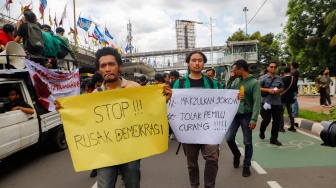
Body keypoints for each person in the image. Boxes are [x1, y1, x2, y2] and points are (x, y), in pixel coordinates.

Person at [54, 47, 172, 188]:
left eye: (112, 64)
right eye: (103, 66)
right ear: (99, 70)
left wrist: (162, 100)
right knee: (104, 186)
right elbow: (85, 122)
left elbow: (148, 111)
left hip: (131, 150)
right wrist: (65, 110)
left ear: (119, 67)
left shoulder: (134, 88)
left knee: (132, 184)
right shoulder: (94, 96)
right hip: (106, 153)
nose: (108, 69)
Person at [173, 51, 220, 188]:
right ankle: (194, 185)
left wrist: (235, 98)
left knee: (212, 159)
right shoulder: (179, 83)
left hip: (209, 128)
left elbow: (223, 99)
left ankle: (209, 186)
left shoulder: (212, 83)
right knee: (192, 163)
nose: (197, 63)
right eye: (194, 60)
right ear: (188, 63)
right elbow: (171, 104)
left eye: (200, 60)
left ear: (203, 63)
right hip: (189, 130)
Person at [225, 59, 261, 177]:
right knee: (229, 138)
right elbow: (228, 92)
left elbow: (257, 102)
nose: (233, 72)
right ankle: (236, 154)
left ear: (241, 69)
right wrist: (230, 79)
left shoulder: (254, 83)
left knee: (247, 142)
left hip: (247, 115)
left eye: (235, 70)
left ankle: (246, 166)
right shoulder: (236, 81)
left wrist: (254, 119)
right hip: (235, 114)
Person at [258, 61, 284, 146]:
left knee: (277, 121)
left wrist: (278, 91)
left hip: (277, 102)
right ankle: (262, 130)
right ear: (268, 68)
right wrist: (268, 90)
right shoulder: (263, 78)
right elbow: (258, 88)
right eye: (271, 67)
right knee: (266, 119)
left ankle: (274, 139)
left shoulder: (279, 78)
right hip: (266, 102)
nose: (273, 68)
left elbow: (282, 88)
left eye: (275, 67)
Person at [279, 66, 297, 132]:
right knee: (290, 112)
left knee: (281, 113)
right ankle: (292, 126)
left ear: (284, 71)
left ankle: (281, 127)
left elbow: (280, 88)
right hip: (290, 98)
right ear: (290, 71)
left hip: (283, 97)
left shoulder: (282, 79)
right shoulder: (293, 78)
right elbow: (294, 87)